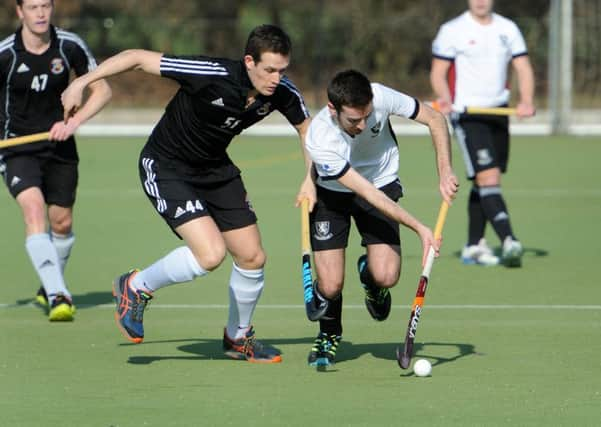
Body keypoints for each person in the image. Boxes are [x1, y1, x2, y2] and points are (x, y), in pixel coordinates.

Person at [62, 24, 311, 363]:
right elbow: (136, 58)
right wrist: (80, 82)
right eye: (269, 70)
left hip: (215, 170)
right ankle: (136, 287)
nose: (276, 79)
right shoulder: (211, 73)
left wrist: (310, 177)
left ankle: (238, 338)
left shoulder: (282, 92)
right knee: (210, 255)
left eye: (282, 70)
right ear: (249, 61)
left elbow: (306, 128)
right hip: (167, 166)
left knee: (252, 257)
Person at [298, 69, 458, 366]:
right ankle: (329, 334)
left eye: (366, 116)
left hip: (381, 180)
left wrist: (444, 169)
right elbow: (366, 194)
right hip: (334, 194)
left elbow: (435, 119)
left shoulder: (381, 96)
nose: (362, 124)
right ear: (333, 109)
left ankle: (369, 278)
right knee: (330, 285)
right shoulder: (320, 138)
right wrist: (420, 229)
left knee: (386, 276)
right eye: (353, 120)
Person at [0, 0, 111, 321]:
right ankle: (57, 294)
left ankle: (48, 284)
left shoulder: (69, 46)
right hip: (15, 147)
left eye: (45, 5)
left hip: (60, 146)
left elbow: (102, 91)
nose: (40, 13)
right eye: (32, 7)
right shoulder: (6, 54)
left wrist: (73, 123)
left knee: (61, 222)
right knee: (34, 212)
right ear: (20, 12)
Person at [430, 0, 536, 267]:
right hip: (467, 114)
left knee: (485, 179)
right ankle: (509, 240)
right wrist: (444, 99)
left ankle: (473, 245)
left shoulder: (508, 28)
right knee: (488, 177)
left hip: (499, 113)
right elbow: (438, 73)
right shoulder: (452, 30)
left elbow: (522, 67)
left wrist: (526, 100)